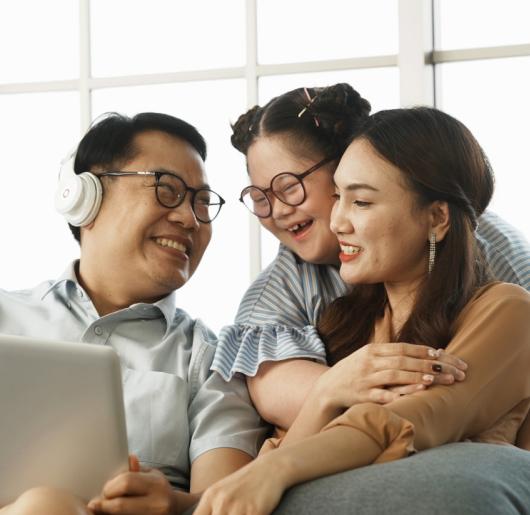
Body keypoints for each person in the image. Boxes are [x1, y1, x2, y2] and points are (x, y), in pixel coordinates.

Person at [210, 84, 530, 514]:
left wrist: (278, 470)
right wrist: (325, 395)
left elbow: (417, 418)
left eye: (358, 201)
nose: (338, 220)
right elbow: (266, 463)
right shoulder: (338, 321)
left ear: (437, 218)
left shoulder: (506, 307)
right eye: (339, 198)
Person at [0, 112, 267, 515]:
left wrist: (174, 504)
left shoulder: (212, 359)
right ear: (84, 197)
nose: (189, 218)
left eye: (200, 202)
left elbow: (222, 503)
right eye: (167, 189)